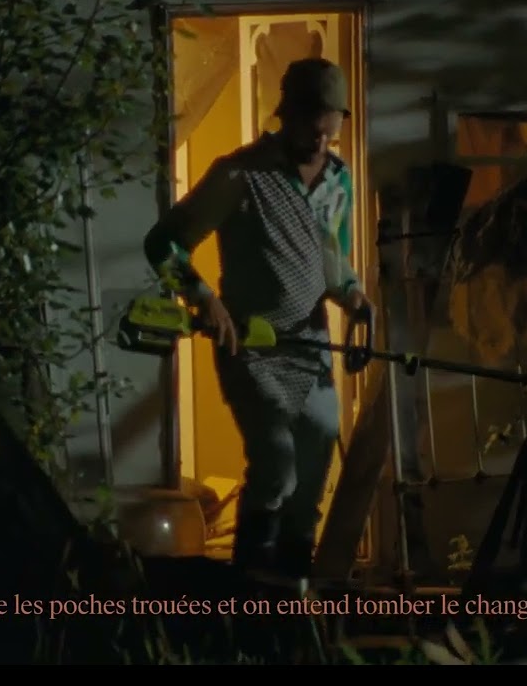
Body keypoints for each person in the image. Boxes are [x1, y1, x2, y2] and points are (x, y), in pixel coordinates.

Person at [143, 58, 369, 585]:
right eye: (311, 131)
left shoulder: (338, 180)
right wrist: (203, 298)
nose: (320, 144)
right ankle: (249, 590)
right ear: (286, 116)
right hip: (250, 347)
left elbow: (332, 261)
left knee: (312, 473)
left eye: (330, 133)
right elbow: (163, 242)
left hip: (311, 349)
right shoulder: (241, 175)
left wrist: (355, 296)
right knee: (276, 467)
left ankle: (289, 593)